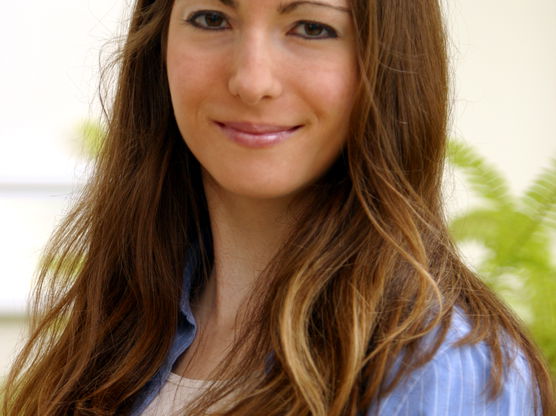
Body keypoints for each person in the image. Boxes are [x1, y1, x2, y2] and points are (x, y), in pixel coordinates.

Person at [2, 0, 554, 415]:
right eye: (212, 18)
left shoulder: (438, 370)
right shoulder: (119, 331)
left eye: (312, 27)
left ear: (386, 65)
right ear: (157, 44)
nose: (251, 80)